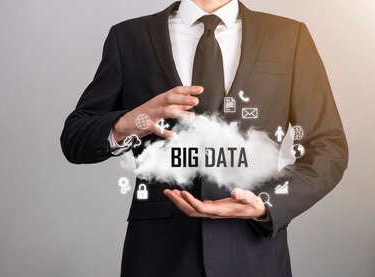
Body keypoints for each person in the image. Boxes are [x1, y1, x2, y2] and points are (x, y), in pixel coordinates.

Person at [60, 0, 348, 276]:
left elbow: (328, 147)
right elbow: (75, 138)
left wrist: (266, 202)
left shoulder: (289, 37)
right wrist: (129, 122)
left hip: (253, 255)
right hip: (158, 256)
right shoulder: (128, 37)